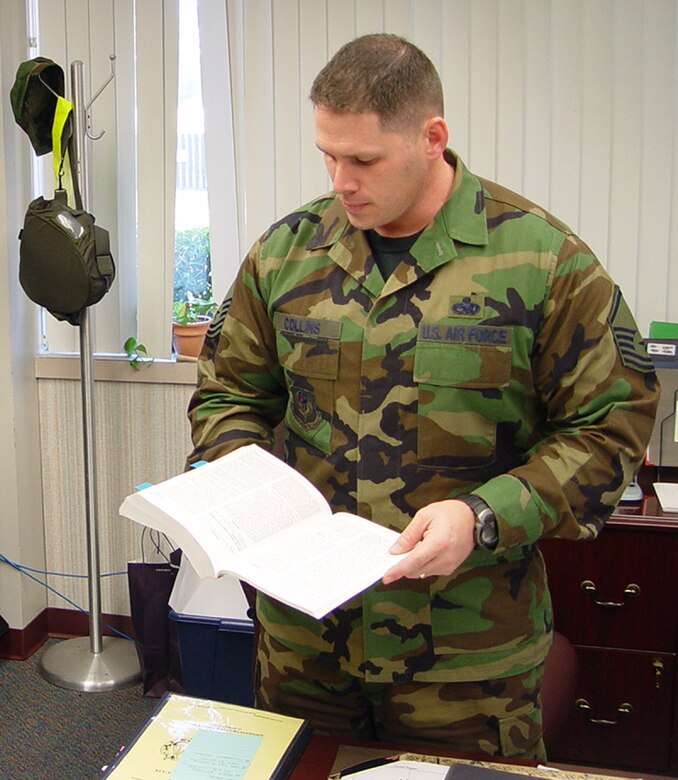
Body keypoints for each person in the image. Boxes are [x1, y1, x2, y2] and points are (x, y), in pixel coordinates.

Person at [186, 33, 659, 761]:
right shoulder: (287, 253)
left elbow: (609, 430)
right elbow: (227, 393)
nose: (341, 181)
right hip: (306, 642)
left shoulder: (541, 260)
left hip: (466, 659)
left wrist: (482, 516)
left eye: (364, 160)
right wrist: (240, 484)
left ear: (432, 138)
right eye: (328, 156)